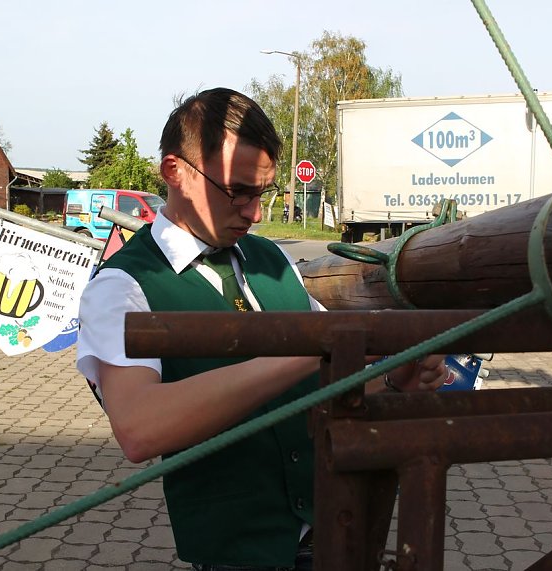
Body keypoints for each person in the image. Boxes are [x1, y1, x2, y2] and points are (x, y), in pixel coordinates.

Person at [76, 87, 449, 570]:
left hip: (337, 530)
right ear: (176, 172)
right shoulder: (123, 284)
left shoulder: (271, 259)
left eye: (262, 193)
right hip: (240, 556)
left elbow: (327, 379)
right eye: (237, 191)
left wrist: (393, 377)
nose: (254, 212)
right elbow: (138, 429)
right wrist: (312, 349)